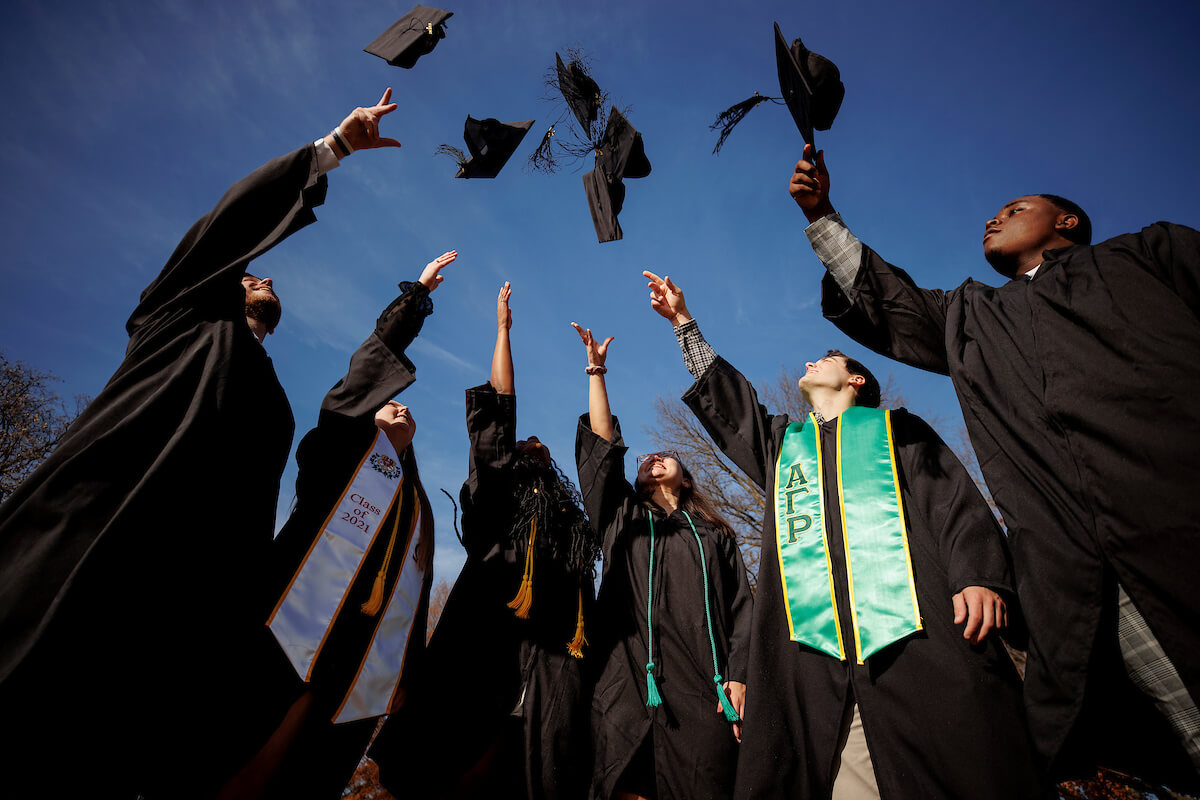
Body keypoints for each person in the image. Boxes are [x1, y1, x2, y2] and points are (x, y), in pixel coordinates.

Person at [0, 90, 404, 798]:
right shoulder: (177, 321)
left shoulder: (273, 401)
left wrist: (406, 319)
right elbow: (225, 230)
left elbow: (335, 425)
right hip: (97, 544)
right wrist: (332, 149)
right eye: (250, 273)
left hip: (188, 610)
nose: (265, 275)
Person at [789, 143, 1200, 787]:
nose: (994, 218)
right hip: (1090, 582)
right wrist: (822, 215)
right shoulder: (971, 316)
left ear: (1066, 222)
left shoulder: (1149, 255)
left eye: (1015, 208)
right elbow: (888, 296)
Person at [644, 270, 1047, 799]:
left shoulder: (897, 431)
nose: (811, 362)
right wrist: (682, 322)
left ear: (856, 380)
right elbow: (734, 409)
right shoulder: (786, 448)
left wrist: (978, 576)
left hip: (919, 638)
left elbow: (954, 504)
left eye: (827, 358)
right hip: (812, 662)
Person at [237, 252, 452, 799]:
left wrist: (406, 667)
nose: (399, 407)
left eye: (405, 407)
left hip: (364, 645)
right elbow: (365, 372)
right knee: (256, 738)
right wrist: (417, 296)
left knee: (313, 765)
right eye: (387, 404)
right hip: (297, 610)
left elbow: (418, 586)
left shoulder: (414, 504)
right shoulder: (339, 448)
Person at [370, 282, 597, 800]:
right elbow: (498, 411)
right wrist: (502, 331)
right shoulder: (499, 500)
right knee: (455, 767)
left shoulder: (571, 528)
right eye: (524, 442)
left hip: (551, 665)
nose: (534, 442)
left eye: (540, 444)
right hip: (482, 650)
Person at [572, 322, 753, 800]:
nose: (653, 456)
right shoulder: (621, 515)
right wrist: (596, 373)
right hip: (626, 680)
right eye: (645, 458)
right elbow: (601, 449)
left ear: (686, 478)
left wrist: (740, 675)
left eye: (666, 455)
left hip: (703, 687)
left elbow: (742, 610)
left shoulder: (715, 535)